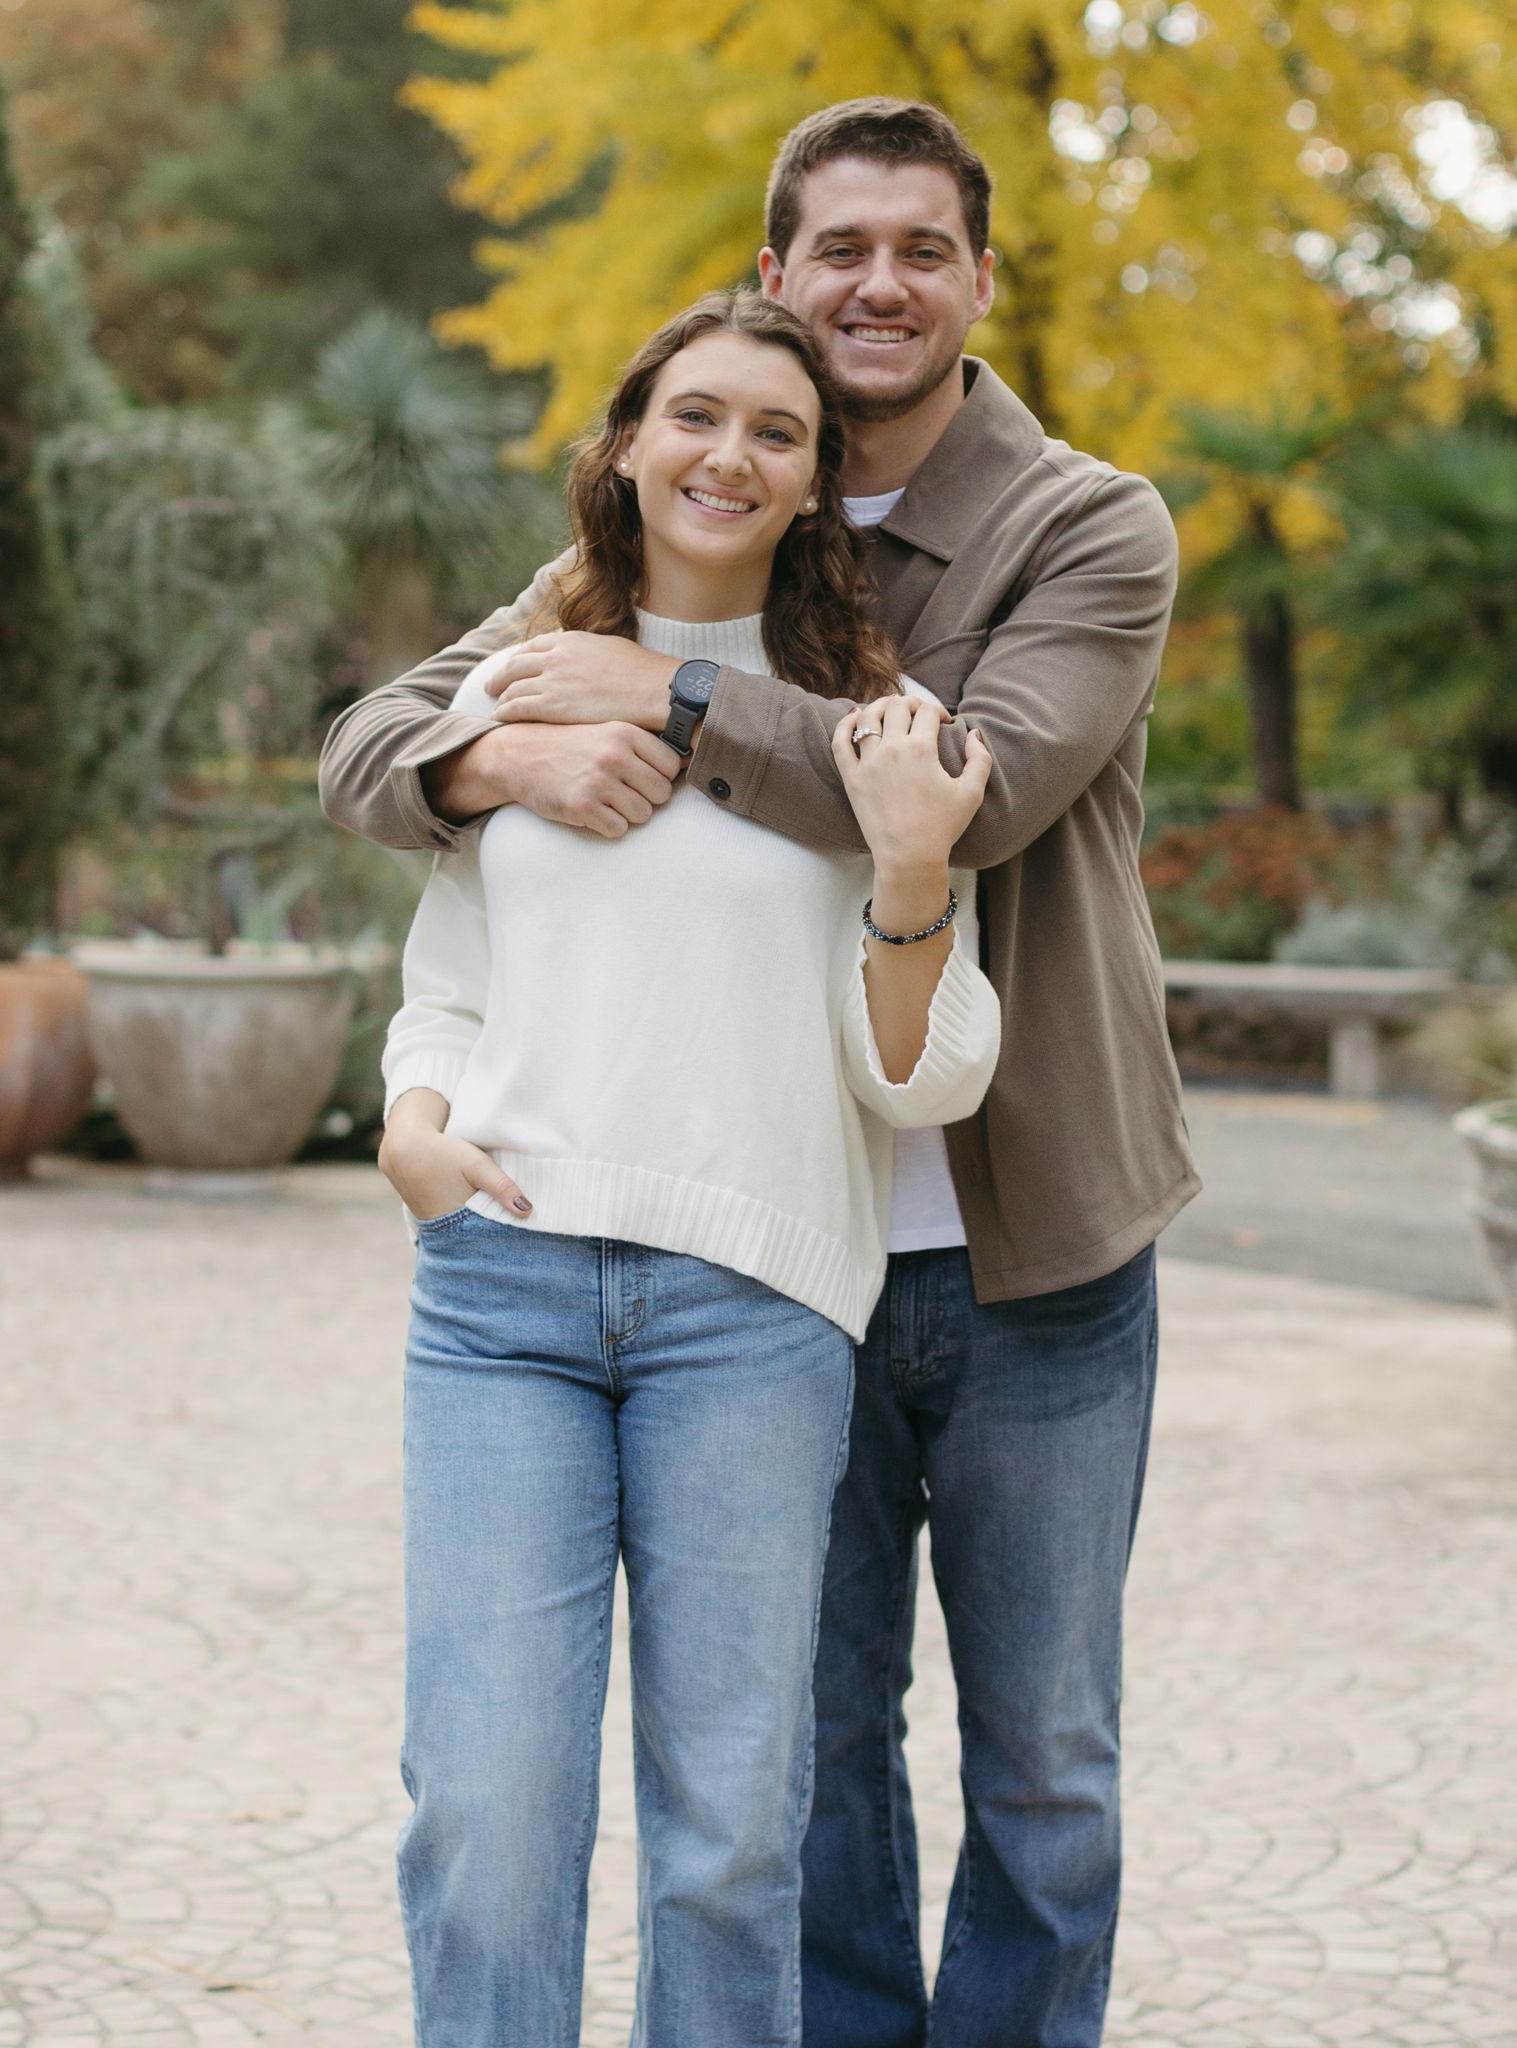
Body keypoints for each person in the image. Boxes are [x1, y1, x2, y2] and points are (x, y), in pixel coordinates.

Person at [322, 99, 1199, 2048]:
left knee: (1043, 1754)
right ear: (776, 274)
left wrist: (666, 694)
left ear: (978, 281)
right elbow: (387, 744)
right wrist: (498, 761)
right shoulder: (664, 535)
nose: (878, 281)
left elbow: (968, 803)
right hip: (770, 1260)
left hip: (1017, 1240)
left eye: (923, 248)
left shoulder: (1083, 525)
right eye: (839, 249)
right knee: (799, 1766)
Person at [369, 287, 1000, 2048]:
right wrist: (416, 1132)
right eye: (697, 417)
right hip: (502, 1296)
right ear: (630, 446)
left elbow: (928, 1071)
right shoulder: (511, 688)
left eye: (778, 434)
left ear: (813, 487)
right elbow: (453, 983)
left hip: (759, 1320)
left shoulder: (863, 726)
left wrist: (904, 875)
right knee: (485, 1814)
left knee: (729, 1842)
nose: (731, 455)